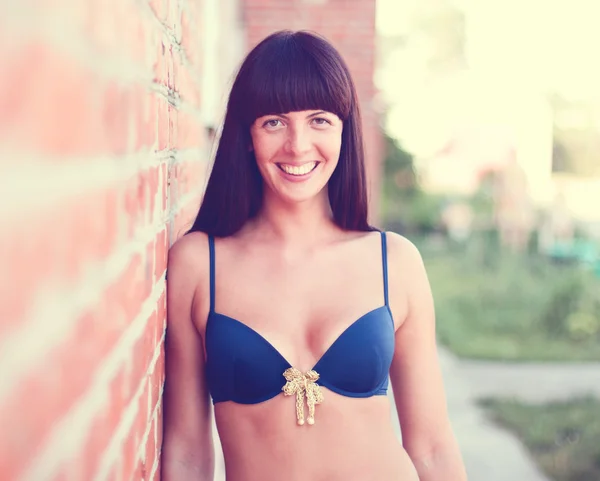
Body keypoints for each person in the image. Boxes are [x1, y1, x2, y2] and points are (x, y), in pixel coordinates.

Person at [162, 30, 467, 481]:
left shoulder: (394, 262)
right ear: (246, 135)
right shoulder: (198, 263)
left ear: (344, 128)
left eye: (319, 120)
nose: (298, 146)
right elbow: (187, 451)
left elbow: (432, 447)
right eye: (274, 122)